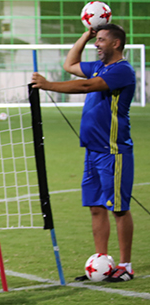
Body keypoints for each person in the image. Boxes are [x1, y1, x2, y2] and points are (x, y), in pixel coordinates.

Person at [30, 23, 135, 282]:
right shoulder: (99, 65)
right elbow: (70, 64)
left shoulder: (122, 70)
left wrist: (47, 85)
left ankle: (125, 266)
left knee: (119, 209)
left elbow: (86, 86)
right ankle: (102, 262)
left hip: (113, 152)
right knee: (96, 207)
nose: (96, 45)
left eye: (100, 40)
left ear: (116, 44)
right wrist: (85, 35)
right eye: (95, 40)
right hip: (92, 151)